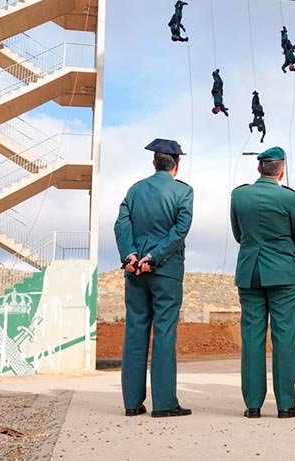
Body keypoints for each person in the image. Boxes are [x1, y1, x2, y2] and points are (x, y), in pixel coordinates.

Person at [114, 138, 194, 418]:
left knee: (135, 332)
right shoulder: (183, 192)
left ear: (154, 162)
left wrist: (131, 256)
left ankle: (132, 403)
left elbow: (121, 224)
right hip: (166, 272)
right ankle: (164, 404)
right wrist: (155, 257)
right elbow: (179, 230)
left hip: (135, 273)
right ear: (177, 165)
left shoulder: (134, 190)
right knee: (164, 334)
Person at [230, 147, 295, 419]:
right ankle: (286, 404)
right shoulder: (289, 197)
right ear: (281, 170)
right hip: (283, 273)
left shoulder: (239, 195)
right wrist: (283, 255)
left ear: (259, 169)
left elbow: (239, 234)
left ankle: (253, 405)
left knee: (252, 337)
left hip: (250, 271)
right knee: (284, 337)